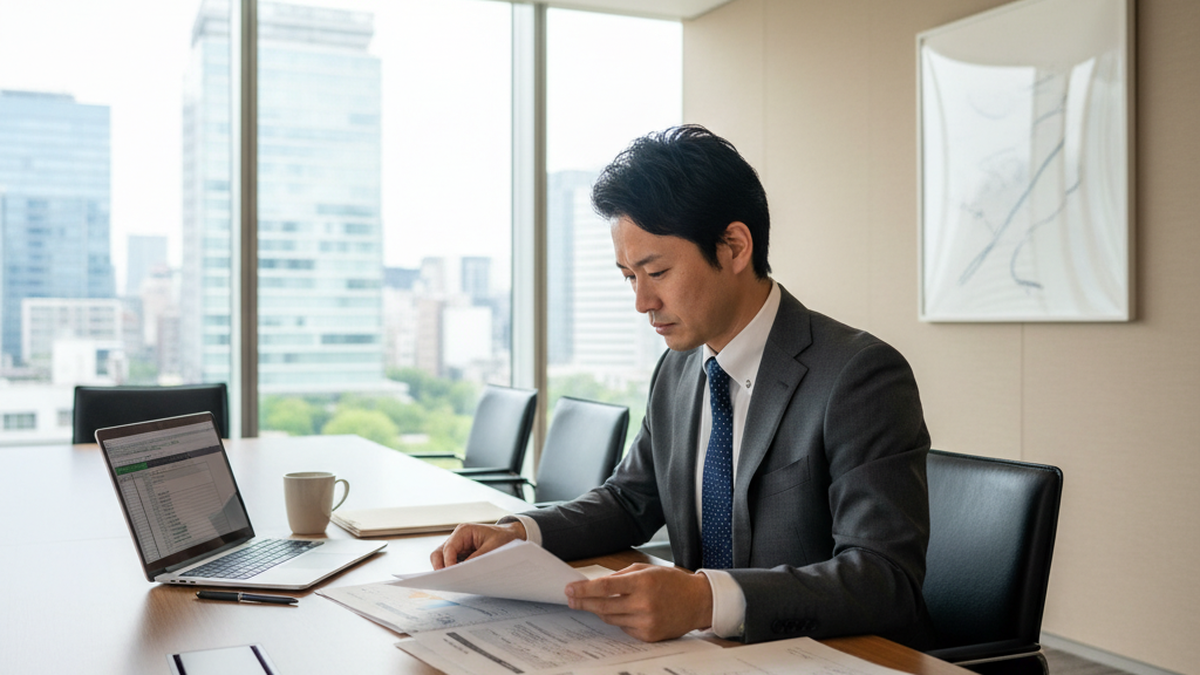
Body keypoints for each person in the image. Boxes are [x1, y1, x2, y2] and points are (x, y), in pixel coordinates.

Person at [432, 125, 934, 649]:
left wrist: (703, 600)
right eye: (630, 276)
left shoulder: (858, 376)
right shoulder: (679, 370)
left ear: (735, 247)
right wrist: (521, 534)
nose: (642, 302)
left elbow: (884, 579)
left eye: (658, 271)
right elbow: (629, 500)